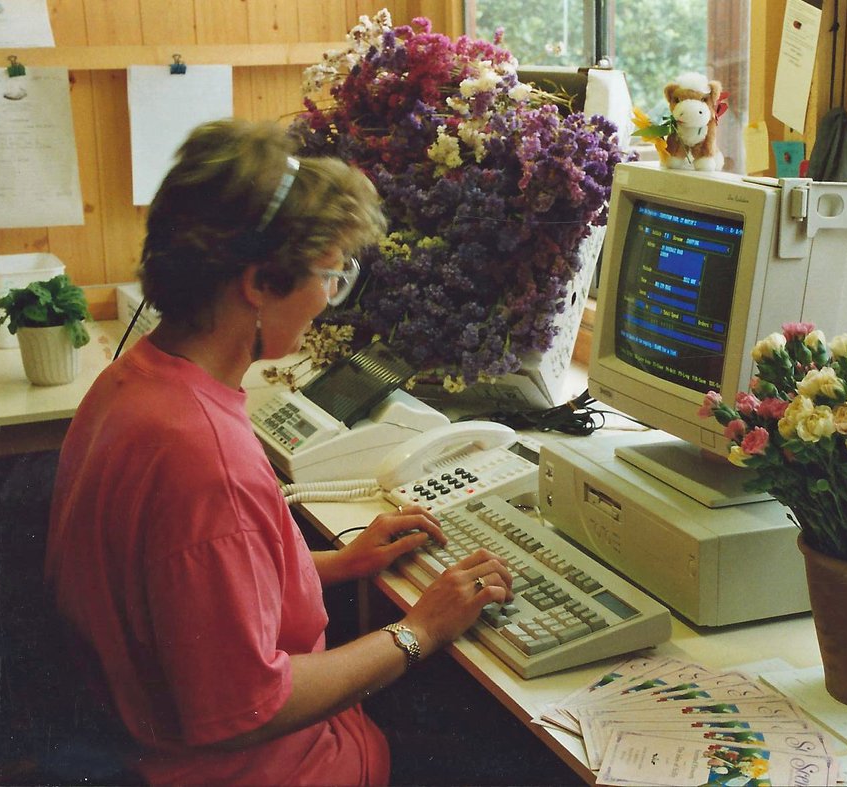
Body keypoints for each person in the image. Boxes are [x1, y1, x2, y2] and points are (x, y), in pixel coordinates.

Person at [44, 118, 513, 785]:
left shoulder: (129, 385)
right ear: (260, 281)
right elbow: (250, 708)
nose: (329, 297)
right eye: (329, 275)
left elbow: (190, 591)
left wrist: (341, 561)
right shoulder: (205, 459)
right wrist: (421, 630)